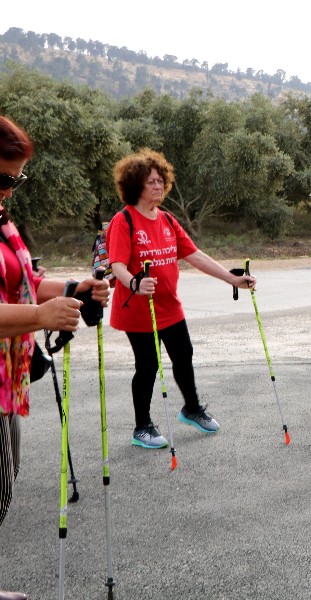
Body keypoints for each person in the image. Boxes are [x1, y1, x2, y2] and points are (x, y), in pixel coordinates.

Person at [0, 115, 110, 600]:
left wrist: (72, 288)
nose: (11, 189)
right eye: (5, 177)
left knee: (5, 481)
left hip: (9, 374)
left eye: (18, 179)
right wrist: (42, 315)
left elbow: (22, 284)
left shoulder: (2, 220)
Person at [107, 149, 255, 449]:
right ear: (136, 185)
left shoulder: (167, 220)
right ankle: (142, 427)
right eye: (151, 181)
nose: (158, 186)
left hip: (169, 306)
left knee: (183, 354)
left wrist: (232, 278)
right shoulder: (124, 221)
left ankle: (191, 408)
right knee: (147, 366)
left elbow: (195, 255)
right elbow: (117, 265)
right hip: (138, 308)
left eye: (161, 180)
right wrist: (134, 282)